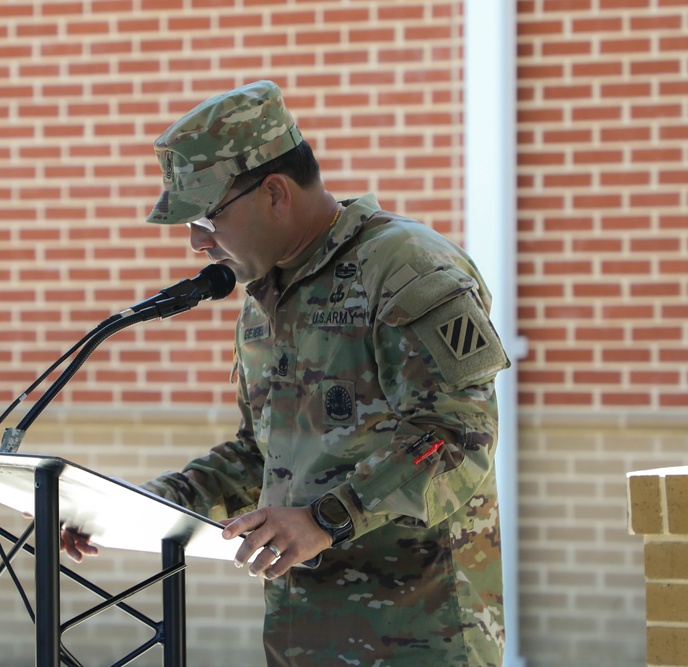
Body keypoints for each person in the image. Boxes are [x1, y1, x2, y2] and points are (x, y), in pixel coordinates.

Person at [61, 80, 509, 666]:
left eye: (206, 216)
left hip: (420, 633)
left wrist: (327, 518)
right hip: (302, 632)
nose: (197, 242)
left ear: (275, 192)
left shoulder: (406, 268)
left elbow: (459, 437)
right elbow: (260, 454)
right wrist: (138, 506)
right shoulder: (264, 298)